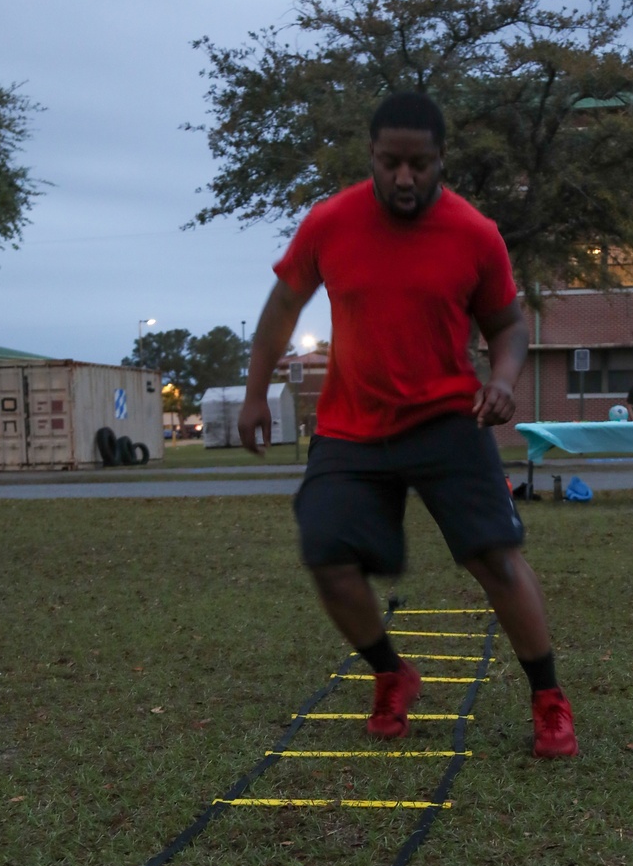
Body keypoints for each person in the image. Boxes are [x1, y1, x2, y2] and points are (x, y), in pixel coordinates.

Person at [238, 91, 578, 757]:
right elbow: (281, 308)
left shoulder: (474, 233)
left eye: (417, 164)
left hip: (449, 419)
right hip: (351, 424)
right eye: (389, 162)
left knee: (495, 559)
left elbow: (508, 327)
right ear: (371, 156)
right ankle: (391, 675)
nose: (403, 177)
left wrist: (503, 381)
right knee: (327, 557)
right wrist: (254, 395)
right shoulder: (329, 223)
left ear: (441, 161)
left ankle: (548, 699)